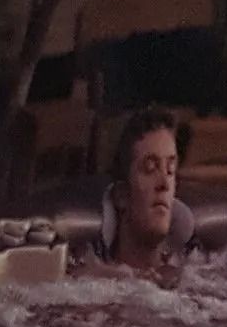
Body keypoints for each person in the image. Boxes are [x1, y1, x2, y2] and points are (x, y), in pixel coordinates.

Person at [80, 106, 194, 282]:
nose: (164, 184)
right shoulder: (91, 279)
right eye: (150, 168)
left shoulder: (192, 274)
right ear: (121, 196)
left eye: (170, 170)